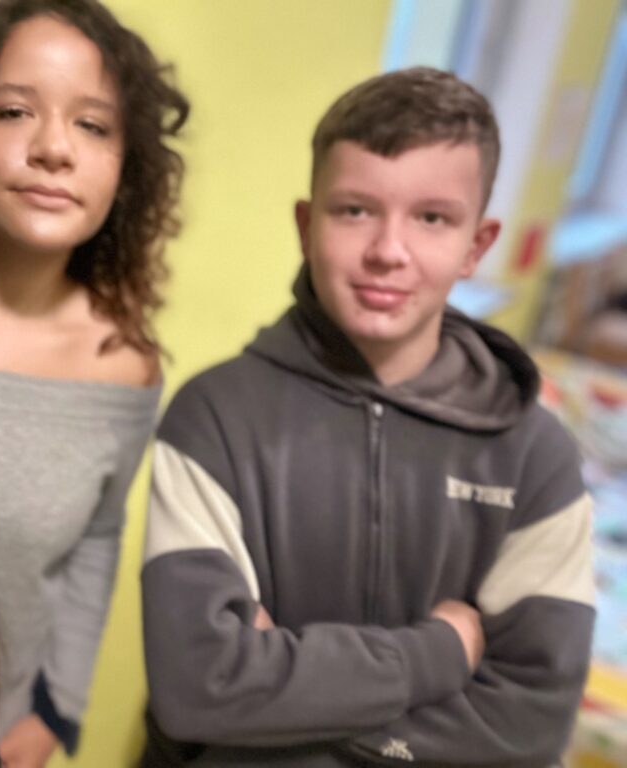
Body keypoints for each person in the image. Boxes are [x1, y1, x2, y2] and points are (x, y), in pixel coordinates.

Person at [141, 67, 595, 767]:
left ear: (477, 245)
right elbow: (199, 686)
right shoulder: (214, 421)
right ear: (306, 225)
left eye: (432, 218)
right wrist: (440, 654)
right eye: (354, 211)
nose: (388, 251)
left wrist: (279, 706)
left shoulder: (535, 455)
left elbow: (528, 727)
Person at [0, 1, 188, 765]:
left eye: (94, 125)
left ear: (127, 165)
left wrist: (54, 710)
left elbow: (97, 537)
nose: (53, 148)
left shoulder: (124, 363)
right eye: (14, 111)